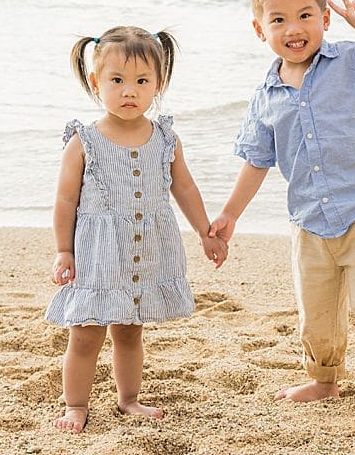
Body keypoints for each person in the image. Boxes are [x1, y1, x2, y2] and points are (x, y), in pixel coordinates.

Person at [209, 0, 355, 430]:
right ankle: (324, 380)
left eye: (305, 15)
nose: (294, 28)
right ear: (259, 29)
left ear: (325, 18)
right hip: (307, 218)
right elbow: (257, 161)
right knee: (316, 311)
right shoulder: (266, 95)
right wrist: (230, 214)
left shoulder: (353, 63)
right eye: (278, 19)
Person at [46, 25, 227, 433]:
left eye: (142, 81)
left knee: (130, 331)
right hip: (97, 256)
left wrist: (205, 231)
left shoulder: (165, 138)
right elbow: (65, 201)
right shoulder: (84, 141)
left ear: (158, 84)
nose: (129, 91)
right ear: (96, 82)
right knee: (86, 333)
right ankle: (75, 405)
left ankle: (128, 399)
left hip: (144, 254)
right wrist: (63, 250)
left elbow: (184, 187)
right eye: (117, 81)